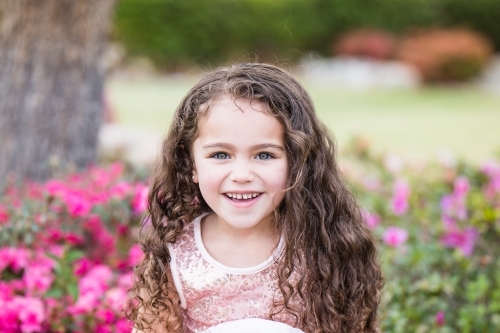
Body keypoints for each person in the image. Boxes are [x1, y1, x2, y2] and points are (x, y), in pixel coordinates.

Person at [126, 63, 383, 333]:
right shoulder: (176, 255)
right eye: (220, 155)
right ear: (190, 164)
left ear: (298, 162)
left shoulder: (321, 247)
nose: (241, 175)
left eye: (264, 155)